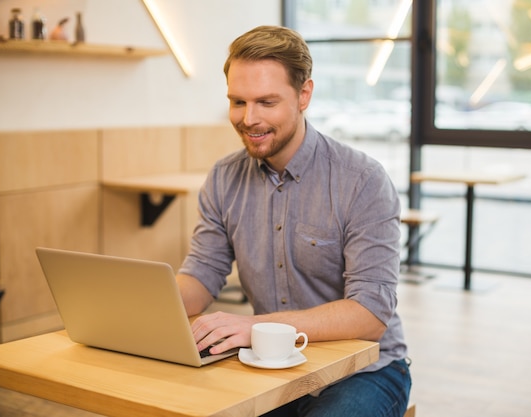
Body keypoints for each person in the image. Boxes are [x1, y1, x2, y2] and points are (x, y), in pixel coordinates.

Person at [176, 25, 411, 417]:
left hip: (366, 372)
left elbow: (370, 314)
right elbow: (201, 276)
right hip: (269, 364)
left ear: (304, 96)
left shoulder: (362, 181)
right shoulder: (223, 177)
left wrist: (257, 327)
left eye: (267, 102)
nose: (249, 119)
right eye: (238, 102)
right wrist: (142, 307)